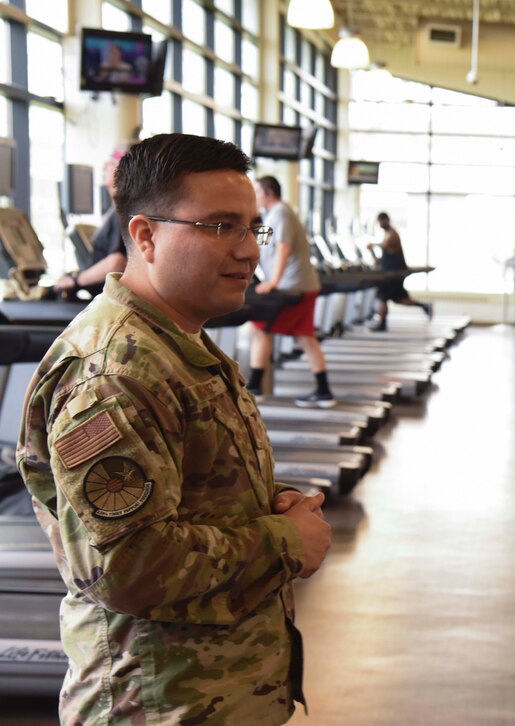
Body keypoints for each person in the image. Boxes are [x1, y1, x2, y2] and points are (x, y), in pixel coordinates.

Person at [17, 133, 331, 725]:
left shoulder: (178, 342)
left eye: (250, 228)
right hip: (155, 705)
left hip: (209, 694)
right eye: (220, 227)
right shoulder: (114, 370)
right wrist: (285, 541)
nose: (248, 252)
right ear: (144, 235)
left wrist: (270, 504)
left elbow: (191, 490)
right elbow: (127, 565)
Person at [249, 175, 336, 408]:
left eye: (257, 192)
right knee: (302, 336)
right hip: (297, 286)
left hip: (292, 288)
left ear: (268, 193)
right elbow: (261, 248)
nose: (254, 196)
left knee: (260, 327)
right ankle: (323, 390)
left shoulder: (282, 214)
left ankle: (255, 387)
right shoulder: (270, 216)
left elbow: (283, 248)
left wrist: (273, 282)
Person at [54, 149, 128, 297]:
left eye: (111, 163)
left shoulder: (121, 211)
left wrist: (76, 280)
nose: (105, 167)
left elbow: (116, 263)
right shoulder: (116, 210)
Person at [367, 211, 431, 331]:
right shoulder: (387, 233)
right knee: (399, 299)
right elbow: (389, 252)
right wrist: (379, 260)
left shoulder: (392, 233)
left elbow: (386, 245)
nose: (380, 224)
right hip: (392, 273)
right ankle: (424, 306)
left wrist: (373, 245)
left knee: (383, 297)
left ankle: (382, 323)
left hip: (393, 274)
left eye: (381, 221)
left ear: (385, 220)